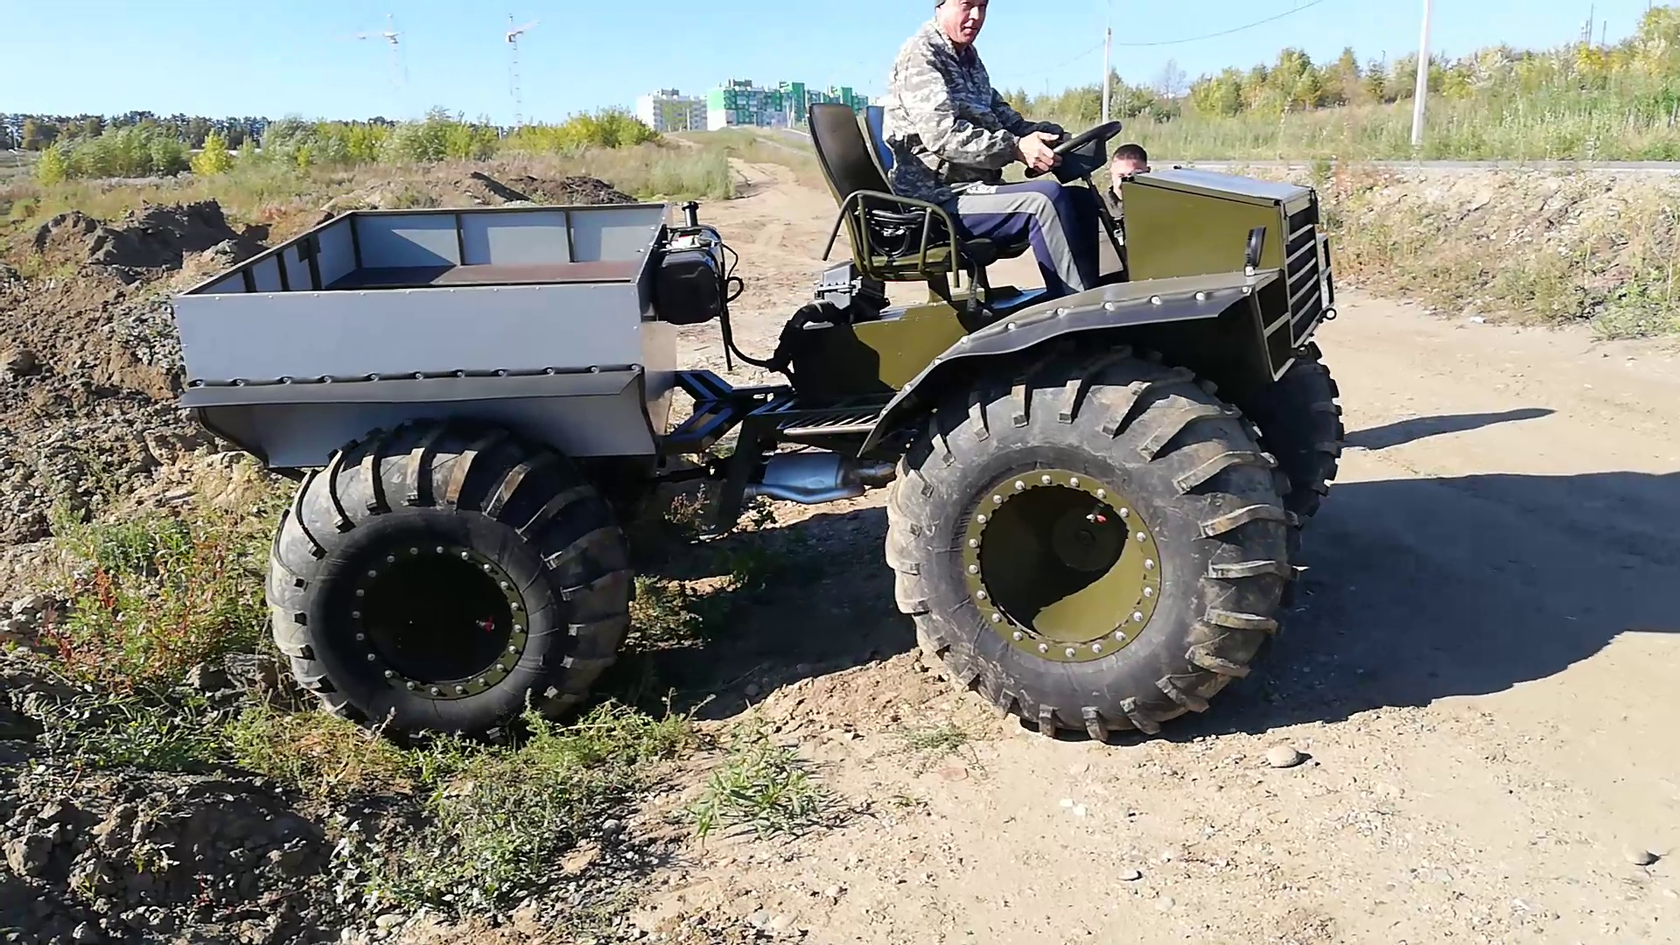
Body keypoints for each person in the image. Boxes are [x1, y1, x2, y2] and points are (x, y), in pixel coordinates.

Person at [882, 0, 1102, 299]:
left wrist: (1052, 136)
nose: (976, 16)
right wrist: (1014, 149)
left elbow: (1005, 118)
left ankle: (1097, 300)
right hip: (938, 200)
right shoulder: (922, 56)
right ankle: (1080, 321)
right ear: (940, 6)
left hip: (974, 188)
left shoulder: (968, 59)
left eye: (982, 7)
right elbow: (942, 136)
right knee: (1043, 201)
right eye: (967, 5)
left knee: (1079, 199)